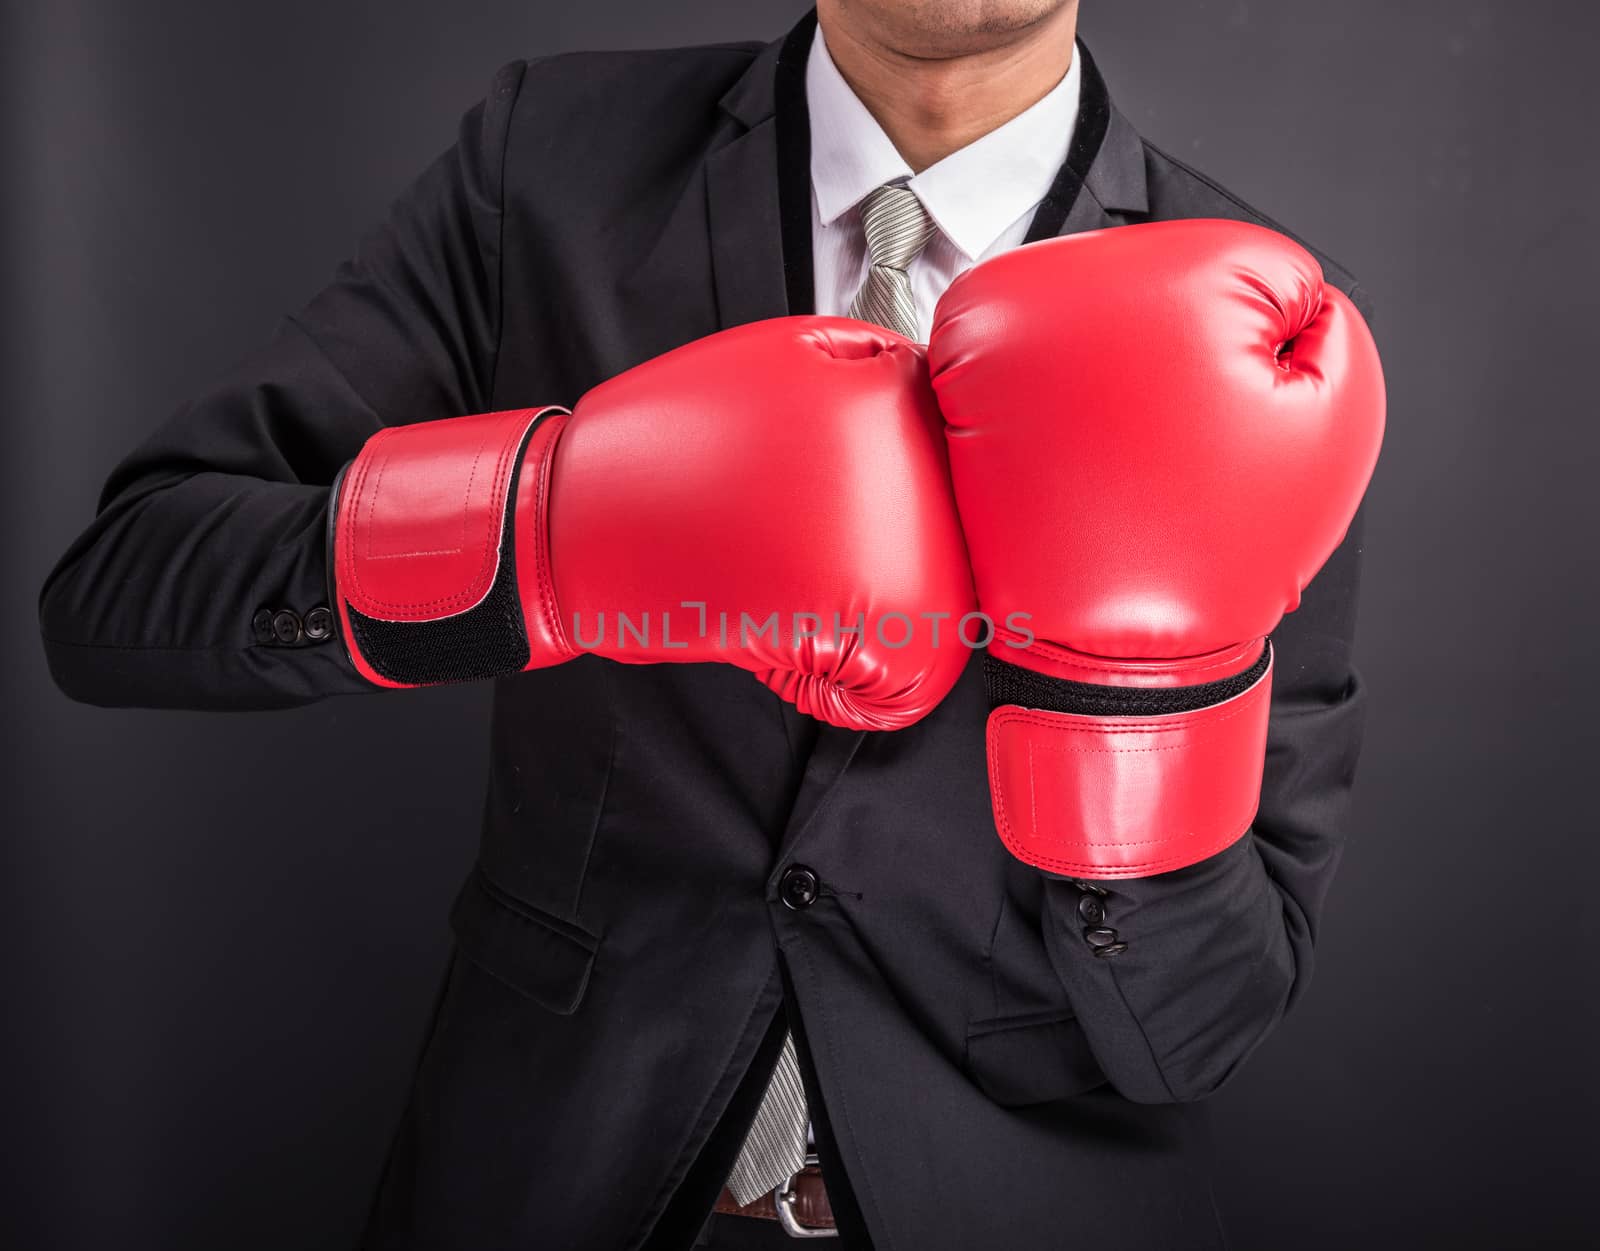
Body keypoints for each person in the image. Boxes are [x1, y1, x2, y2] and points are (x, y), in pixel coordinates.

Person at [38, 2, 1380, 1247]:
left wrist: (1135, 701)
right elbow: (121, 591)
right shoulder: (550, 160)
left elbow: (1196, 1035)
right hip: (551, 1179)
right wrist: (548, 534)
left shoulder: (1262, 335)